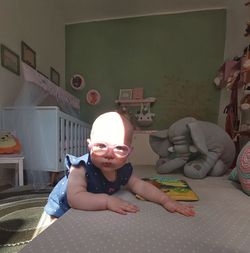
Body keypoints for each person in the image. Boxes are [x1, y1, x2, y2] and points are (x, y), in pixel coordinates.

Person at [44, 111, 195, 221]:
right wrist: (107, 201)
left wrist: (165, 200)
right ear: (89, 146)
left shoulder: (122, 170)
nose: (109, 154)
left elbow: (140, 186)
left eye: (119, 148)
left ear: (129, 152)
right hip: (62, 207)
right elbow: (75, 199)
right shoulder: (80, 168)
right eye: (101, 146)